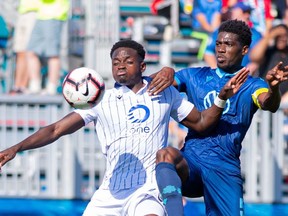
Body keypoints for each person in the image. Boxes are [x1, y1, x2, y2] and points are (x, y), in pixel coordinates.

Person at [0, 40, 248, 215]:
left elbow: (202, 122)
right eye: (116, 62)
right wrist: (16, 148)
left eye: (128, 61)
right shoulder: (99, 100)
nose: (120, 65)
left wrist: (221, 98)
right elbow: (55, 130)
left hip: (149, 189)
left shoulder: (164, 94)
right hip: (111, 191)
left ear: (141, 66)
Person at [148, 19, 288, 216]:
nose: (221, 49)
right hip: (192, 162)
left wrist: (273, 88)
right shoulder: (194, 76)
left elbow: (269, 105)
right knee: (166, 155)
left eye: (228, 44)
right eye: (218, 44)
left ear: (244, 50)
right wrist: (167, 70)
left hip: (224, 168)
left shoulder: (253, 85)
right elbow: (152, 84)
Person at [204, 1, 262, 75]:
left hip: (245, 77)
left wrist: (243, 75)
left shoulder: (256, 35)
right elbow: (208, 52)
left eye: (248, 12)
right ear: (233, 12)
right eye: (244, 12)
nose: (247, 15)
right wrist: (219, 73)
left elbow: (257, 60)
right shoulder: (221, 31)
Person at [27, 0, 69, 95]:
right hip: (41, 16)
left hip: (55, 15)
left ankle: (52, 86)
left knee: (52, 53)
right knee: (31, 51)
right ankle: (35, 86)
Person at [10, 0, 38, 94]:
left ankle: (23, 86)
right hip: (21, 12)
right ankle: (17, 86)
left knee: (29, 52)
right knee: (20, 51)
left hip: (35, 12)